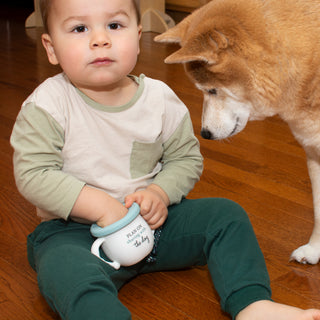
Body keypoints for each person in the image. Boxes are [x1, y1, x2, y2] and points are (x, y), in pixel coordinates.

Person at [10, 0, 320, 319]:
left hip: (156, 222)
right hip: (77, 233)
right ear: (50, 47)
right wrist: (102, 207)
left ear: (139, 35)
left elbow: (185, 160)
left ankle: (252, 303)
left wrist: (160, 193)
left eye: (115, 26)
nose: (99, 39)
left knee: (227, 216)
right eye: (79, 29)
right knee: (64, 270)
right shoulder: (47, 106)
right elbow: (34, 175)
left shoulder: (160, 98)